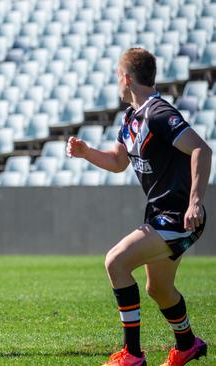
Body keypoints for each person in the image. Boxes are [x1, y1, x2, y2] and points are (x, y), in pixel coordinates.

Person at [67, 48, 211, 366]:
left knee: (115, 263)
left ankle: (131, 354)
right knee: (159, 288)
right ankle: (187, 344)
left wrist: (195, 202)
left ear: (127, 78)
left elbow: (202, 148)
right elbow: (119, 162)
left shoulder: (157, 112)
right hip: (162, 216)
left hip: (177, 217)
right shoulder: (132, 117)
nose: (117, 83)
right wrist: (87, 152)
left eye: (118, 76)